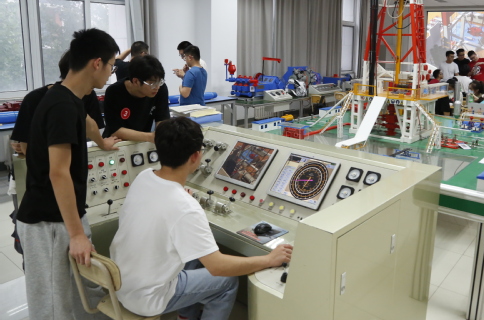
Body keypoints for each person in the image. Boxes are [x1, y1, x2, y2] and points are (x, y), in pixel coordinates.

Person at [110, 117, 293, 319]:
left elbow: (163, 205)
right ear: (196, 156)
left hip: (120, 282)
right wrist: (268, 259)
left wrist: (182, 200)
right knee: (227, 282)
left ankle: (185, 317)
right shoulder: (185, 207)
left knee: (195, 256)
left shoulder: (144, 176)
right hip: (147, 298)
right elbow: (218, 267)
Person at [16, 29, 121, 320]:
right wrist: (76, 234)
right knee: (53, 307)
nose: (110, 73)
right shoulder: (61, 105)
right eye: (111, 65)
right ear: (97, 63)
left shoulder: (71, 98)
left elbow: (89, 125)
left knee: (78, 297)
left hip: (64, 216)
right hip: (47, 222)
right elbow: (58, 172)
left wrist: (103, 143)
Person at [10, 51, 109, 155]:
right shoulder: (34, 99)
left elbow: (92, 129)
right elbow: (25, 145)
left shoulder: (88, 95)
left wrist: (102, 143)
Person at [103, 55, 170, 142]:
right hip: (117, 143)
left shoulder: (161, 88)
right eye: (152, 83)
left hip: (142, 141)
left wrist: (162, 133)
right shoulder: (114, 92)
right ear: (136, 81)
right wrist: (150, 137)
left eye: (160, 82)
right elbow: (115, 130)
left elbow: (162, 119)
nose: (157, 87)